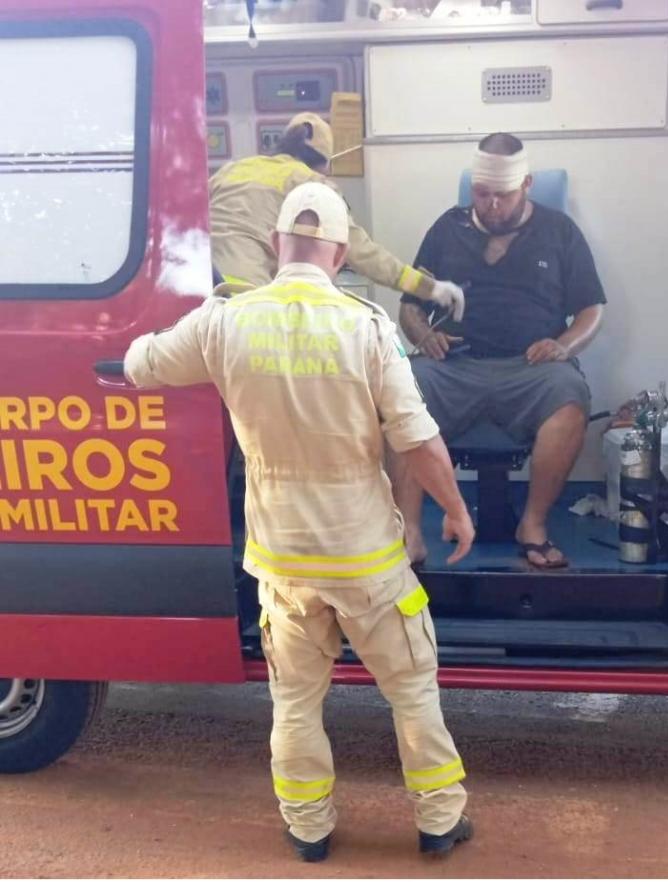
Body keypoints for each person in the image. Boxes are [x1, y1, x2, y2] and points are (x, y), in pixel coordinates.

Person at [123, 182, 476, 862]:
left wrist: (161, 331)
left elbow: (143, 365)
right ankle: (439, 821)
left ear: (273, 245)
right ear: (339, 255)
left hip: (283, 561)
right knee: (410, 691)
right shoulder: (366, 327)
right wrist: (455, 512)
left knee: (295, 702)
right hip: (366, 558)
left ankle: (309, 830)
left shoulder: (225, 322)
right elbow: (417, 440)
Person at [396, 132, 605, 569]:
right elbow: (410, 305)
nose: (491, 205)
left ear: (526, 185)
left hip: (531, 369)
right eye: (482, 193)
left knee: (570, 396)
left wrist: (563, 345)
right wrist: (422, 335)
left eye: (503, 195)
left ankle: (533, 526)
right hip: (453, 365)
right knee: (398, 390)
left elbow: (592, 309)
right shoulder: (447, 228)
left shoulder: (559, 231)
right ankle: (409, 533)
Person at [208, 112, 466, 320]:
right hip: (245, 301)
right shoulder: (311, 183)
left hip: (203, 291)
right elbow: (365, 254)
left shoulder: (232, 170)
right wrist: (430, 288)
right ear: (324, 164)